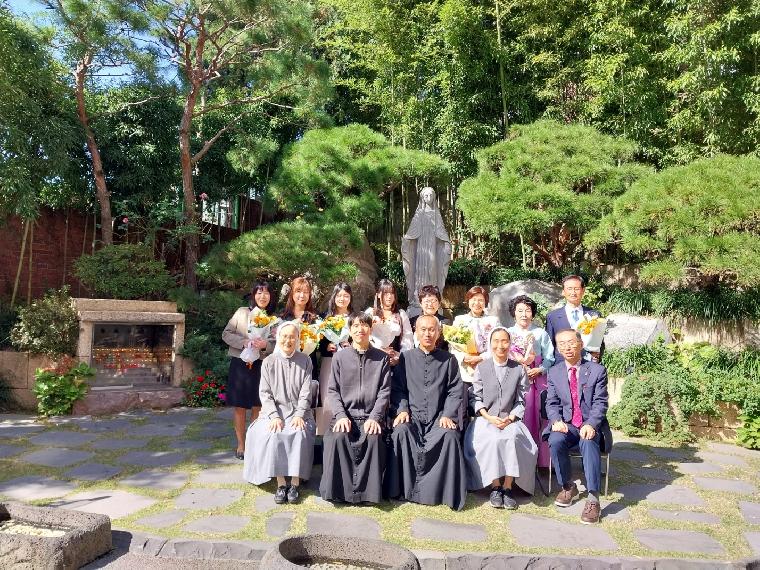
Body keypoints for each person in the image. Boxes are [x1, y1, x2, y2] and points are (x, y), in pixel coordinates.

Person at [385, 314, 467, 511]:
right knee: (401, 432)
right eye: (423, 329)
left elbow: (455, 391)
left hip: (439, 417)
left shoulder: (449, 360)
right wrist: (402, 410)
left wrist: (447, 414)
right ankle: (400, 490)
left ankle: (441, 492)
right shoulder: (406, 358)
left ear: (438, 333)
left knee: (449, 436)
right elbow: (398, 388)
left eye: (432, 330)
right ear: (416, 332)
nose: (428, 334)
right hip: (412, 416)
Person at [319, 313, 391, 504]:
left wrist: (375, 417)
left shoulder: (382, 358)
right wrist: (341, 416)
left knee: (374, 438)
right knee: (338, 437)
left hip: (370, 416)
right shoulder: (339, 357)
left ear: (371, 329)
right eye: (356, 326)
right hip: (346, 416)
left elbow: (384, 392)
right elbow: (333, 391)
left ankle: (369, 495)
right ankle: (339, 492)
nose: (361, 330)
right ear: (350, 331)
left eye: (365, 325)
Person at [543, 329, 612, 524]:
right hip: (567, 424)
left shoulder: (597, 370)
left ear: (581, 344)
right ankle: (568, 486)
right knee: (555, 440)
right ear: (558, 349)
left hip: (589, 423)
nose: (567, 347)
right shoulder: (554, 372)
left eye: (571, 342)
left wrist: (591, 424)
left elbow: (600, 403)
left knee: (588, 441)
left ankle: (593, 498)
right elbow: (551, 403)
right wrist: (556, 421)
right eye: (562, 344)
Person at [464, 327, 537, 509]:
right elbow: (475, 397)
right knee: (493, 439)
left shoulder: (518, 369)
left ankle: (508, 486)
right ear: (490, 343)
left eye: (504, 341)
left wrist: (510, 418)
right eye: (496, 341)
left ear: (510, 343)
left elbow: (521, 399)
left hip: (510, 419)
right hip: (486, 419)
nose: (500, 345)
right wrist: (488, 417)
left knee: (512, 438)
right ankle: (495, 486)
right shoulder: (482, 367)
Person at [243, 322, 316, 504]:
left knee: (299, 433)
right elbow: (265, 393)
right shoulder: (268, 361)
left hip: (299, 412)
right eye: (284, 336)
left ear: (297, 340)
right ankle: (281, 483)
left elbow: (306, 392)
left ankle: (295, 483)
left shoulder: (305, 360)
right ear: (278, 338)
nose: (288, 340)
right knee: (274, 433)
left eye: (292, 337)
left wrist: (299, 414)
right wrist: (274, 416)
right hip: (274, 412)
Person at [222, 280, 278, 460]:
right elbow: (226, 334)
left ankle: (253, 442)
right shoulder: (242, 312)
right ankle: (241, 444)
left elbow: (277, 343)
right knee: (240, 406)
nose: (263, 296)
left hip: (261, 364)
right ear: (254, 295)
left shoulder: (274, 319)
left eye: (266, 293)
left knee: (258, 405)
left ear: (271, 296)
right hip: (241, 363)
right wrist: (244, 342)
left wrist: (265, 345)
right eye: (259, 292)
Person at [506, 295, 555, 468]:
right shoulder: (507, 333)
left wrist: (539, 369)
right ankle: (515, 461)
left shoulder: (541, 333)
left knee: (539, 416)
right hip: (513, 380)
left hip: (537, 380)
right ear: (514, 313)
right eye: (520, 310)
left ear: (533, 314)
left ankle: (540, 461)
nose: (524, 314)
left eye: (528, 310)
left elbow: (550, 358)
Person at [401, 186, 452, 309]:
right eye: (426, 196)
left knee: (432, 269)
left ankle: (432, 298)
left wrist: (446, 242)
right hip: (421, 248)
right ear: (422, 198)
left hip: (432, 246)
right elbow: (412, 231)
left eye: (431, 195)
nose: (428, 198)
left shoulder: (436, 214)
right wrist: (406, 240)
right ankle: (418, 297)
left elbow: (441, 231)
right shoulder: (419, 213)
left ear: (434, 197)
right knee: (420, 270)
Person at [316, 282, 353, 434]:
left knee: (348, 396)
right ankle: (324, 434)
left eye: (346, 296)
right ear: (334, 297)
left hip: (350, 363)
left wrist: (351, 345)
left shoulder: (355, 317)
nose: (342, 299)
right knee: (326, 397)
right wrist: (326, 346)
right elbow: (316, 341)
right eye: (339, 295)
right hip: (329, 362)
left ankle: (346, 433)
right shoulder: (324, 317)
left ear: (350, 298)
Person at [545, 275, 603, 363]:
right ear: (563, 291)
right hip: (561, 364)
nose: (573, 292)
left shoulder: (594, 315)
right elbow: (549, 345)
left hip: (588, 364)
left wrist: (596, 357)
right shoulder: (552, 316)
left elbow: (600, 341)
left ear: (583, 291)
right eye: (569, 288)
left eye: (576, 289)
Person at [451, 286, 499, 381]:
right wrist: (464, 357)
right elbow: (452, 346)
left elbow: (498, 344)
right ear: (468, 301)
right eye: (474, 299)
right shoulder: (459, 320)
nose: (477, 303)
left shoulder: (493, 321)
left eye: (481, 300)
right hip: (465, 369)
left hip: (487, 366)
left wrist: (481, 357)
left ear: (485, 302)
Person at [367, 279, 414, 365]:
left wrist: (400, 358)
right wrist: (380, 350)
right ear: (378, 294)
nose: (389, 296)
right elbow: (364, 337)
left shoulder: (400, 314)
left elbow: (408, 339)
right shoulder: (370, 313)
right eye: (386, 293)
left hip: (394, 360)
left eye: (392, 293)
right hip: (373, 359)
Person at [280, 276, 319, 378]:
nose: (302, 295)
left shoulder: (315, 317)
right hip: (286, 366)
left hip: (309, 366)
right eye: (298, 291)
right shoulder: (283, 316)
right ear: (292, 293)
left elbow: (320, 345)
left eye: (306, 292)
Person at [408, 285, 451, 351]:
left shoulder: (446, 322)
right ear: (420, 303)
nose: (430, 304)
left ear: (439, 304)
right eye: (427, 301)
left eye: (434, 301)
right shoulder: (412, 322)